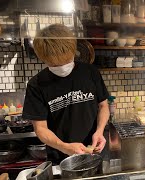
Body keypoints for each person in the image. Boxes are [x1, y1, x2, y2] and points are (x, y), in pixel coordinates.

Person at [22, 24, 109, 164]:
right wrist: (65, 148)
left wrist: (99, 131)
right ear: (43, 59)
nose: (62, 68)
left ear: (73, 51)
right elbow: (40, 128)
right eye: (55, 65)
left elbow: (103, 106)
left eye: (66, 61)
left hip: (95, 152)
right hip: (61, 157)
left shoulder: (90, 72)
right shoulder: (36, 84)